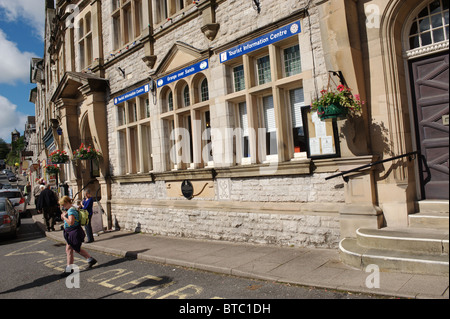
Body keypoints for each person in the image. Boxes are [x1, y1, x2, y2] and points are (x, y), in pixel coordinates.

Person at [59, 196, 97, 277]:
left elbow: (71, 222)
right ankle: (89, 259)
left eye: (63, 204)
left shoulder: (71, 211)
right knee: (71, 249)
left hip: (73, 232)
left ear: (67, 203)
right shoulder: (71, 209)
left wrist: (64, 217)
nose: (63, 206)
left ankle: (70, 269)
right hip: (72, 232)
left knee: (74, 249)